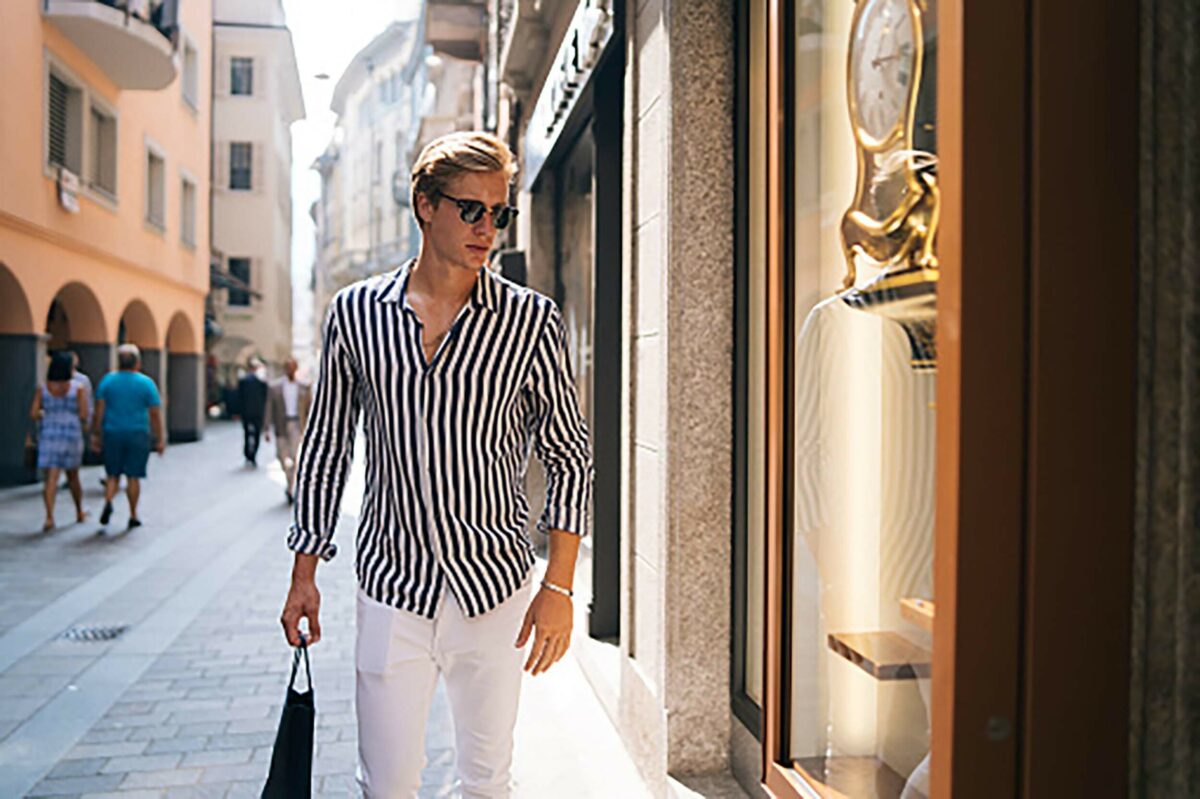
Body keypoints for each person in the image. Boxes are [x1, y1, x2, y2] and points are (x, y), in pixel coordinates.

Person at [280, 131, 594, 799]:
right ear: (425, 205)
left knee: (486, 781)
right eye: (470, 209)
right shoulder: (356, 315)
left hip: (496, 588)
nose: (488, 229)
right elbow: (328, 445)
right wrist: (304, 572)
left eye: (499, 213)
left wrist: (559, 586)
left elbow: (569, 451)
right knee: (386, 785)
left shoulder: (530, 322)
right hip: (393, 586)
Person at [92, 344, 165, 531]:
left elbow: (99, 411)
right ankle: (133, 515)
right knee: (134, 476)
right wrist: (160, 437)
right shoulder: (146, 383)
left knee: (112, 474)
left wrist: (96, 433)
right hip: (138, 433)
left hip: (112, 432)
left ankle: (108, 500)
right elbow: (155, 413)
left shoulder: (107, 381)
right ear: (138, 362)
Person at [30, 352, 89, 531]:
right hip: (71, 433)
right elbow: (84, 414)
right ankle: (79, 511)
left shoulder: (43, 388)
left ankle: (49, 517)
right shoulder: (77, 388)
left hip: (49, 433)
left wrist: (47, 414)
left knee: (51, 478)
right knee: (73, 476)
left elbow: (33, 413)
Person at [264, 356, 312, 505]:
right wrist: (266, 429)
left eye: (292, 367)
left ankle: (291, 487)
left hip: (297, 425)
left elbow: (310, 409)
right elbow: (269, 408)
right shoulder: (275, 387)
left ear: (296, 369)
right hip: (281, 426)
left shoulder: (304, 387)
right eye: (287, 367)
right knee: (281, 456)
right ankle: (289, 479)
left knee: (295, 456)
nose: (290, 370)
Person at [237, 358, 268, 467]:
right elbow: (265, 399)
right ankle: (253, 455)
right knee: (256, 435)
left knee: (246, 434)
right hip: (258, 413)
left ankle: (247, 455)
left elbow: (239, 398)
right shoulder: (261, 383)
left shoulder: (243, 382)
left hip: (246, 413)